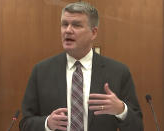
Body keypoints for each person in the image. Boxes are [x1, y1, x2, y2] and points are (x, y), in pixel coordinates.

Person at [19, 2, 143, 131]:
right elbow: (25, 123)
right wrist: (47, 123)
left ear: (93, 33)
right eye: (65, 24)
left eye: (76, 25)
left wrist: (121, 110)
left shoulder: (118, 72)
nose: (68, 30)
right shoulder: (41, 71)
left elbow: (137, 126)